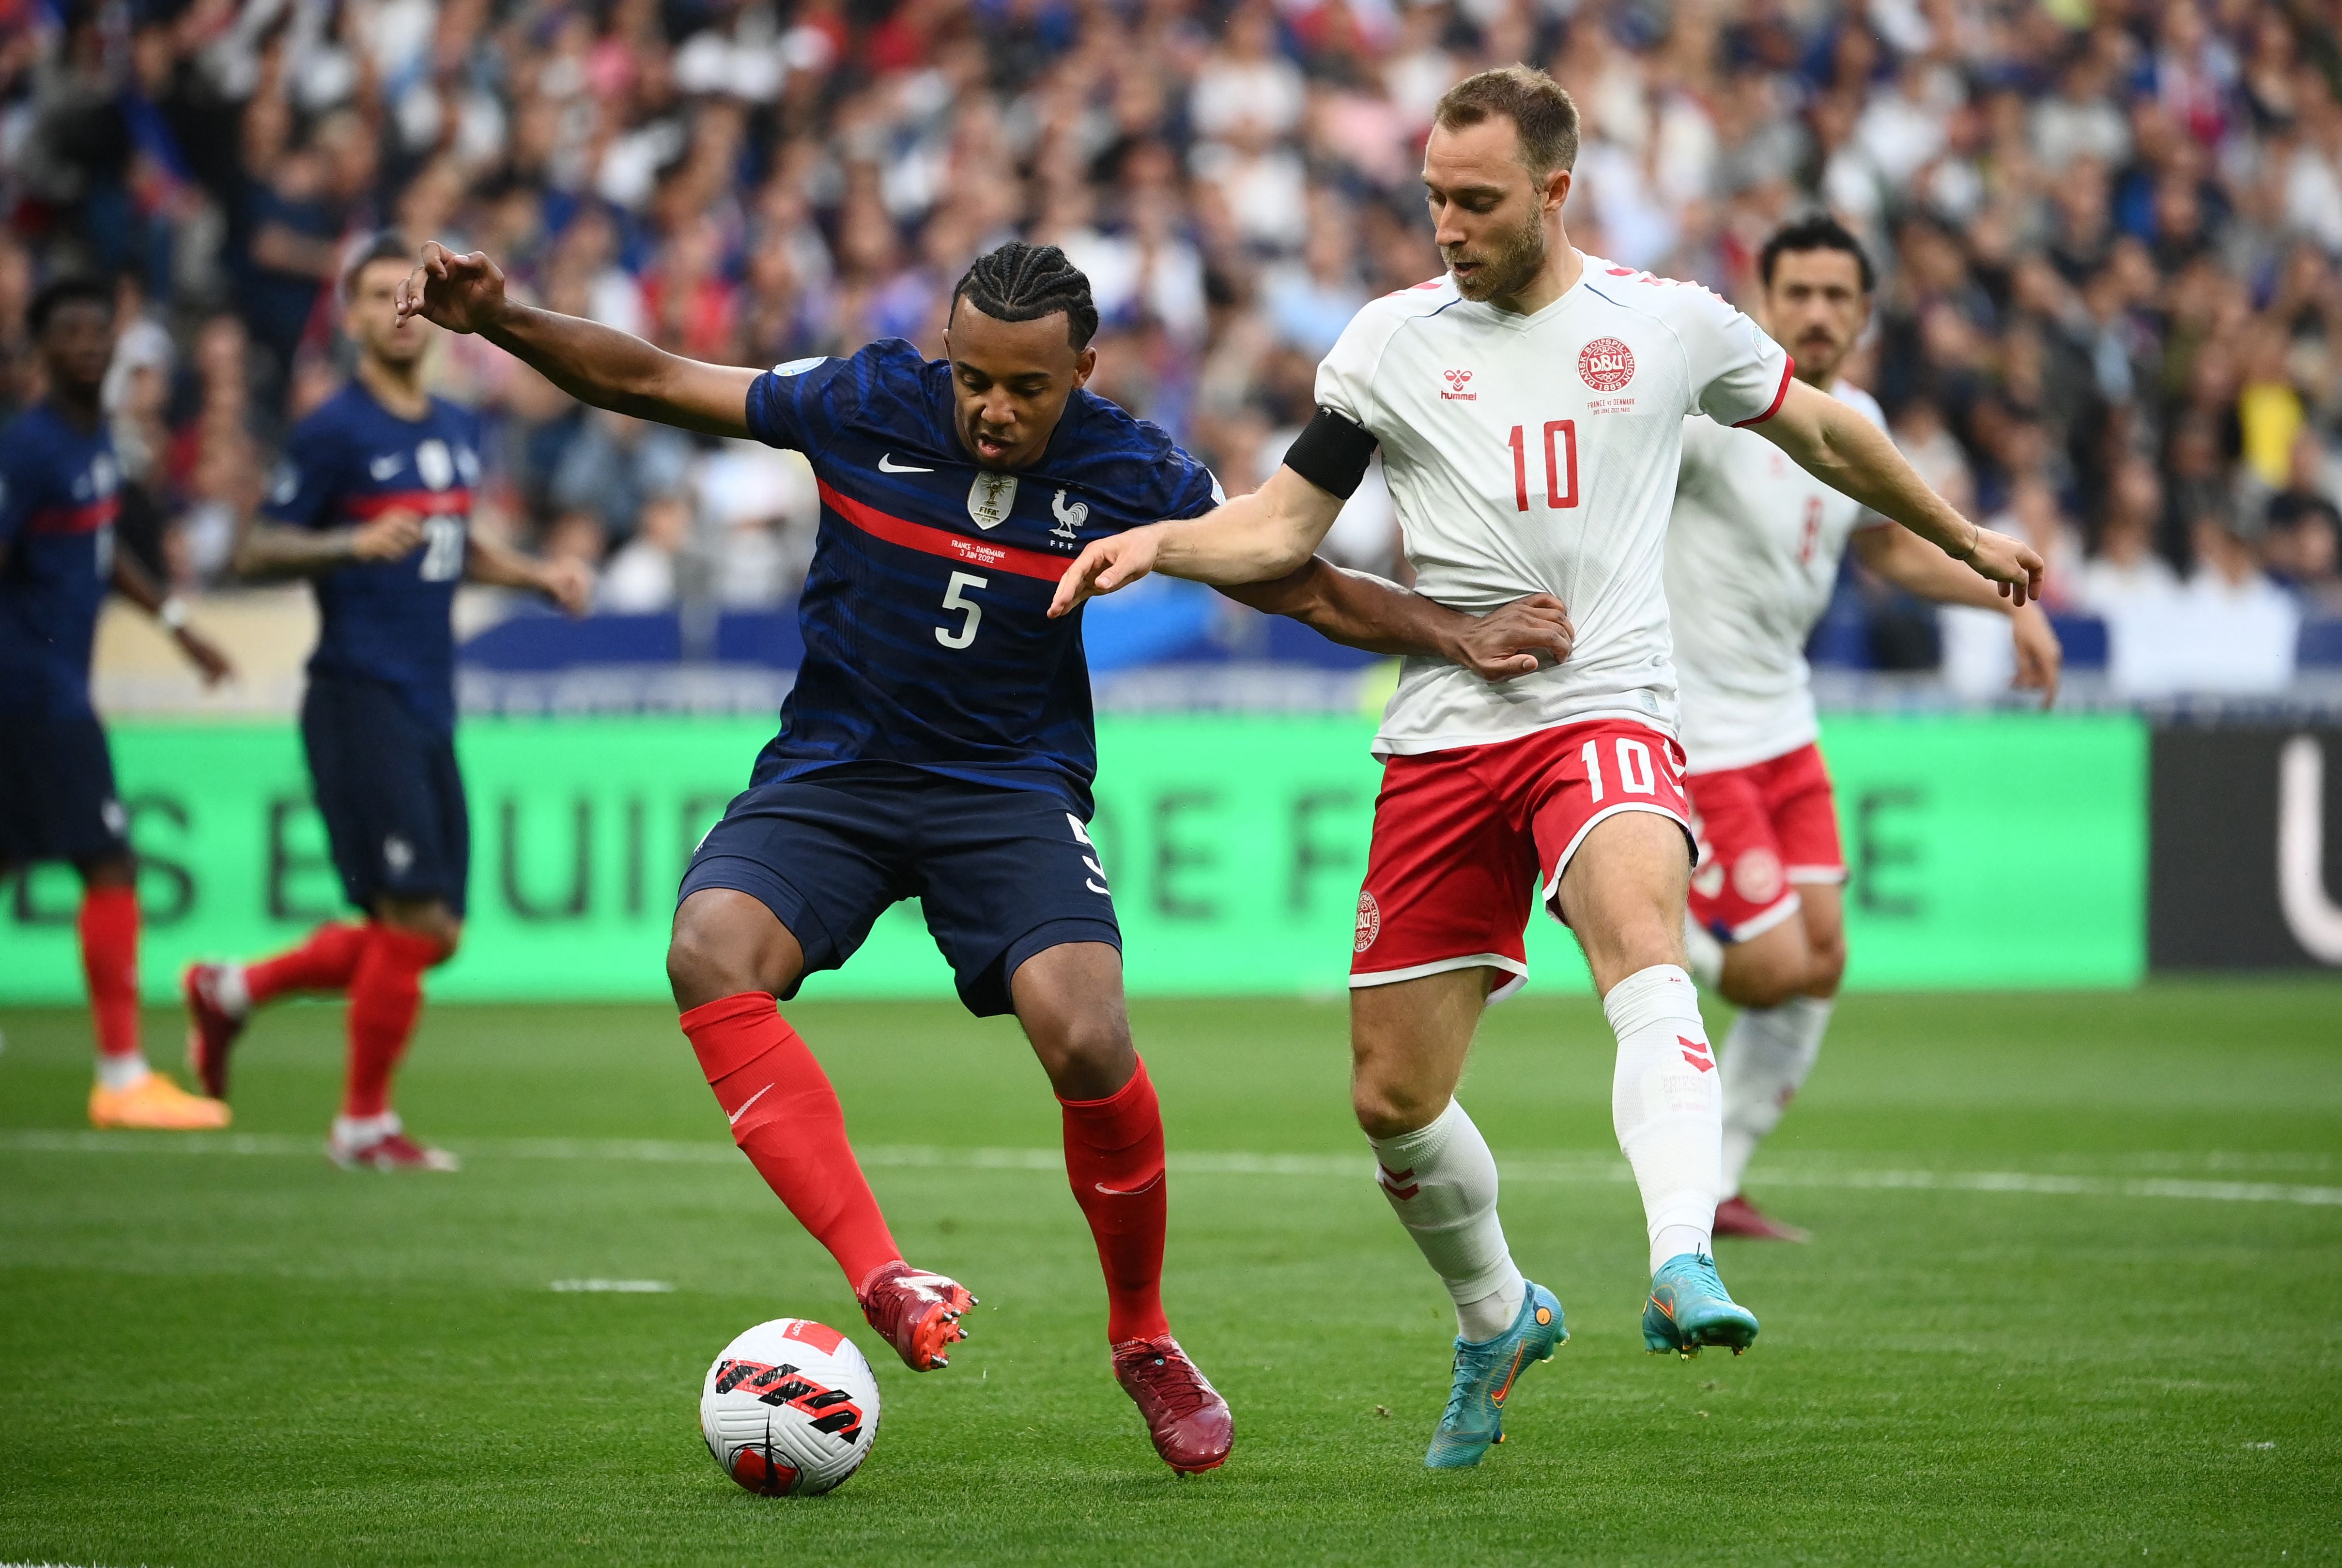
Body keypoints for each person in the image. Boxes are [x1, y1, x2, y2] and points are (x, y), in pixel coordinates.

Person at [391, 235, 1573, 1476]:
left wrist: (1451, 629)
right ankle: (884, 1275)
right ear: (944, 356)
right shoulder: (865, 400)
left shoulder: (1131, 466)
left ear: (1084, 374)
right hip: (837, 772)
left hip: (1007, 789)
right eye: (973, 379)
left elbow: (1299, 584)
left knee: (1088, 1031)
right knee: (708, 949)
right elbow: (655, 379)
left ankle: (1144, 1338)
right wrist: (503, 319)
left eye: (1028, 387)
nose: (994, 409)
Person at [1049, 67, 2044, 1470]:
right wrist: (1163, 543)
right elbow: (1282, 527)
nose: (1448, 224)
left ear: (1555, 191)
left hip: (1610, 704)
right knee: (1392, 1097)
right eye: (1435, 199)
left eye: (1477, 200)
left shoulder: (1667, 323)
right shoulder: (1389, 341)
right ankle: (1497, 1313)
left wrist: (1967, 537)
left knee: (1646, 945)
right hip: (1449, 731)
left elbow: (1827, 431)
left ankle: (1683, 1254)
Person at [1664, 215, 2063, 1244]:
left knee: (1824, 955)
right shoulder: (1714, 413)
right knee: (1767, 965)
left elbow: (1885, 551)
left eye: (1838, 297)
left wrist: (2003, 596)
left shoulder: (1859, 419)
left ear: (1865, 314)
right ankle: (1635, 919)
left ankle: (1719, 1181)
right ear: (1762, 298)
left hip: (1782, 722)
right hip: (1693, 730)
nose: (1817, 313)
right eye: (1798, 292)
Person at [182, 234, 592, 1171]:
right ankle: (363, 1126)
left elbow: (455, 542)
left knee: (432, 930)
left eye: (402, 291)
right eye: (373, 296)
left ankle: (233, 990)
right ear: (354, 318)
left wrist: (536, 576)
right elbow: (255, 552)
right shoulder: (335, 430)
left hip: (427, 698)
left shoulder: (452, 425)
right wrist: (346, 547)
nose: (395, 309)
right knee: (411, 919)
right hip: (357, 692)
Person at [0, 276, 236, 1130]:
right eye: (69, 332)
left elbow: (100, 552)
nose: (89, 345)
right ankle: (122, 1074)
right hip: (34, 691)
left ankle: (122, 1072)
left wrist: (179, 623)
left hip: (49, 685)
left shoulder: (91, 438)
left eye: (100, 331)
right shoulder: (27, 451)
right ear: (39, 347)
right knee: (110, 863)